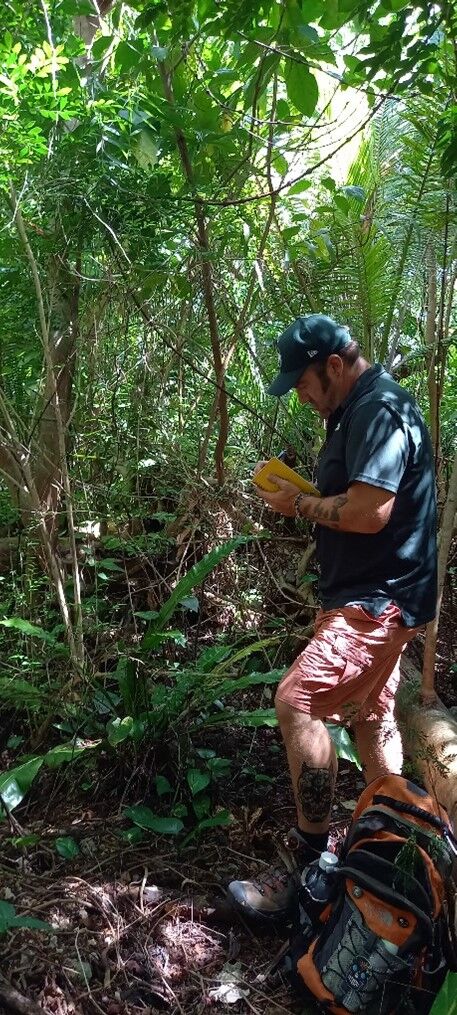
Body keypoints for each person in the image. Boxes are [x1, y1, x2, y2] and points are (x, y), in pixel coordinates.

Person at [228, 314, 437, 921]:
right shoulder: (354, 412)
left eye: (305, 383)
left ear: (336, 367)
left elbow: (372, 512)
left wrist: (298, 504)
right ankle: (403, 850)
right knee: (371, 718)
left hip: (378, 600)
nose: (301, 395)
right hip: (372, 596)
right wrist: (307, 500)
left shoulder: (379, 409)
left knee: (299, 701)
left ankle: (309, 872)